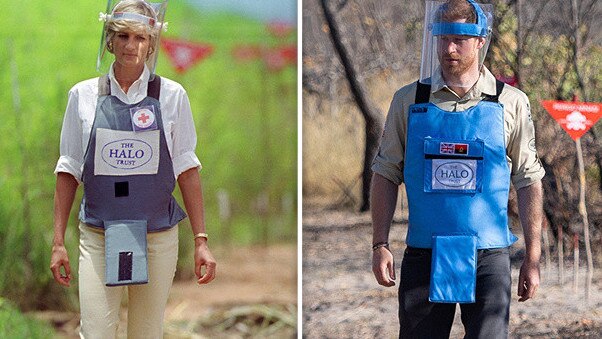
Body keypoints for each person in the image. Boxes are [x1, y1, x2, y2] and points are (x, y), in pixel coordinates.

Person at [370, 0, 545, 337]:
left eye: (459, 40)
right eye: (442, 38)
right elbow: (385, 172)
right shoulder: (409, 101)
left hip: (488, 257)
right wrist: (380, 244)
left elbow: (528, 180)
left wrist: (532, 258)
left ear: (480, 40)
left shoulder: (510, 102)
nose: (449, 48)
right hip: (424, 253)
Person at [49, 1, 216, 337]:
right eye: (122, 36)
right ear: (109, 40)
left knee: (146, 331)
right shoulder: (82, 96)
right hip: (98, 234)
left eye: (139, 38)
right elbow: (68, 169)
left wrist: (201, 240)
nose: (130, 45)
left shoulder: (171, 96)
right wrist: (57, 242)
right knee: (96, 330)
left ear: (151, 44)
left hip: (157, 237)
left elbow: (187, 168)